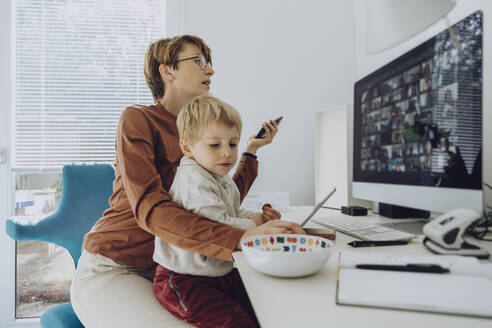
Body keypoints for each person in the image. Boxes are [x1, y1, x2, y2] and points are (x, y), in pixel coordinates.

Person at [69, 35, 305, 328]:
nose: (210, 70)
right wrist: (241, 237)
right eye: (199, 61)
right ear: (167, 71)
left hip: (172, 267)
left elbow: (216, 200)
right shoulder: (137, 119)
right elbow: (150, 210)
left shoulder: (198, 132)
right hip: (116, 267)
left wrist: (251, 152)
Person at [153, 95, 272, 327]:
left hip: (216, 271)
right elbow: (219, 225)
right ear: (187, 147)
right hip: (183, 278)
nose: (227, 153)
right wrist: (257, 224)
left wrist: (259, 218)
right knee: (234, 322)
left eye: (233, 144)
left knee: (263, 302)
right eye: (215, 145)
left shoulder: (219, 175)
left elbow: (234, 212)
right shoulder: (193, 180)